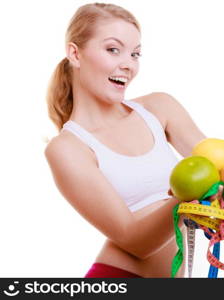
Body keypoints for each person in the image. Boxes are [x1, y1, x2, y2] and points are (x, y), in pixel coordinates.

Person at [44, 3, 206, 278]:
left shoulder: (159, 108)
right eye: (112, 49)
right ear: (75, 53)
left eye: (135, 54)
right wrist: (186, 199)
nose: (128, 64)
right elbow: (135, 241)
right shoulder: (68, 148)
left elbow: (219, 166)